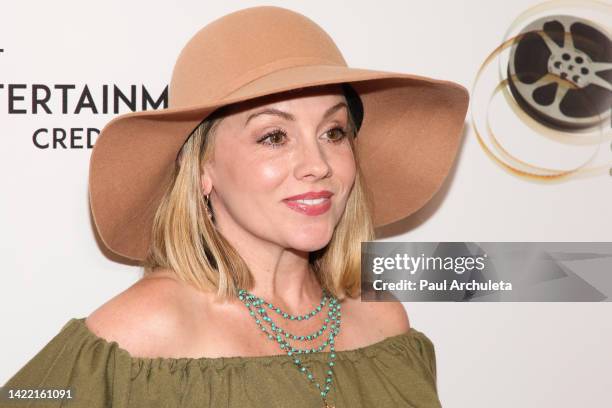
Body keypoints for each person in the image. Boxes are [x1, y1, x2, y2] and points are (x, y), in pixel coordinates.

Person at [1, 5, 468, 408]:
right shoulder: (145, 329)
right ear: (203, 169)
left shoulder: (383, 321)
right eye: (274, 136)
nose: (317, 164)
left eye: (334, 132)